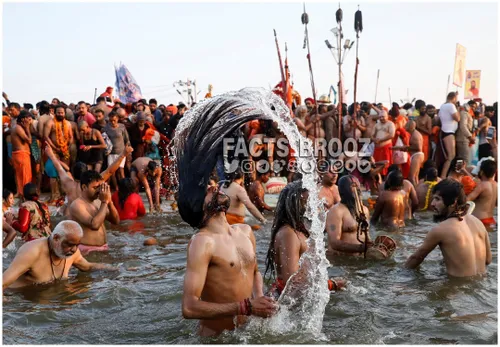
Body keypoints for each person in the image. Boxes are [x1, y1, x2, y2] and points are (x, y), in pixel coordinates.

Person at [181, 183, 276, 336]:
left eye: (210, 185)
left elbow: (255, 272)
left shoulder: (245, 231)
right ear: (196, 205)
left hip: (246, 333)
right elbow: (189, 307)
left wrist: (259, 298)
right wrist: (246, 307)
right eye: (205, 191)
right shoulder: (202, 242)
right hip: (216, 339)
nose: (213, 187)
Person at [265, 180, 345, 299]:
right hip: (286, 302)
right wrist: (330, 285)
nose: (315, 205)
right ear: (297, 203)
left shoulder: (300, 230)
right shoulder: (288, 234)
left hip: (303, 297)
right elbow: (291, 283)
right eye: (310, 201)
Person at [405, 179, 492, 277]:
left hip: (457, 289)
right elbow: (488, 260)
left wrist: (399, 273)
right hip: (481, 286)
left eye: (437, 199)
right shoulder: (478, 223)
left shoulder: (441, 229)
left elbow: (415, 258)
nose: (432, 204)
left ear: (453, 202)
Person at [3, 221, 117, 289]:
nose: (74, 250)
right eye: (70, 245)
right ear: (56, 238)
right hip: (23, 300)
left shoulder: (72, 251)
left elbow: (87, 266)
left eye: (77, 245)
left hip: (51, 300)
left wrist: (115, 269)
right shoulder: (32, 251)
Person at [45, 145, 133, 216]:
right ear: (86, 171)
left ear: (72, 172)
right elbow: (110, 171)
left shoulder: (68, 183)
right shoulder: (92, 183)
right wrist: (123, 155)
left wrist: (50, 154)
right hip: (87, 216)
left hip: (71, 217)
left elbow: (59, 168)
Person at [68, 171, 120, 255]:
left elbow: (116, 221)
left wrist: (109, 201)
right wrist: (104, 202)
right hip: (87, 251)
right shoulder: (77, 205)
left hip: (103, 248)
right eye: (95, 187)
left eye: (100, 187)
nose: (99, 190)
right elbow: (94, 225)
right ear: (84, 187)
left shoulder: (98, 202)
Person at [326, 176, 372, 256]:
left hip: (358, 260)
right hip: (341, 263)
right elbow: (334, 243)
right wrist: (361, 248)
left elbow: (367, 236)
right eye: (353, 185)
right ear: (344, 190)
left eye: (358, 184)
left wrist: (374, 246)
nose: (358, 188)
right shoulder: (336, 211)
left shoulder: (364, 210)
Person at [44, 104, 73, 203]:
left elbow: (70, 137)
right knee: (53, 173)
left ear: (65, 113)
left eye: (62, 112)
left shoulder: (68, 124)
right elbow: (46, 136)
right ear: (55, 113)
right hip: (54, 151)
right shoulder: (50, 123)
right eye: (58, 112)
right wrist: (55, 147)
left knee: (64, 172)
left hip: (64, 151)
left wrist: (67, 146)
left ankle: (64, 195)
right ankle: (54, 195)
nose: (60, 114)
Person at [103, 110, 131, 188]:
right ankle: (116, 188)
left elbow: (127, 139)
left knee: (120, 171)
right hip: (111, 153)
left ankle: (125, 187)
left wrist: (127, 151)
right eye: (111, 120)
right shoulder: (105, 128)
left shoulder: (122, 126)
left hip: (121, 152)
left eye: (114, 120)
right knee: (112, 172)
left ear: (117, 119)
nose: (112, 122)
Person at [467, 159, 497, 228]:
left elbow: (467, 200)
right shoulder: (496, 185)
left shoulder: (482, 185)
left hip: (479, 221)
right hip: (491, 221)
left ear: (481, 172)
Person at [11, 111, 33, 200]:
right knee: (25, 176)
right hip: (21, 154)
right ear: (23, 119)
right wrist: (27, 128)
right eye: (29, 119)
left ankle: (21, 193)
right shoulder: (18, 128)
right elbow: (29, 141)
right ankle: (25, 195)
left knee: (20, 175)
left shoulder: (16, 127)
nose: (30, 121)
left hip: (19, 155)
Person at [438, 92, 460, 178]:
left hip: (446, 131)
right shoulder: (451, 106)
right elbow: (457, 118)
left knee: (450, 156)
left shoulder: (442, 106)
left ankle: (444, 175)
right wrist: (457, 109)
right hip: (448, 131)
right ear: (454, 98)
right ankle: (443, 176)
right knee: (451, 156)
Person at [371, 108, 395, 176]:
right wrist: (374, 139)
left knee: (386, 166)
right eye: (380, 117)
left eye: (383, 117)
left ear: (387, 116)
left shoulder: (390, 124)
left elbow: (392, 135)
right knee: (377, 165)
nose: (381, 118)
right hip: (377, 149)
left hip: (386, 148)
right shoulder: (377, 125)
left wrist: (380, 140)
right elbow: (372, 135)